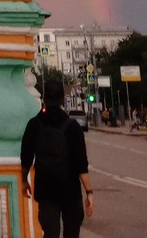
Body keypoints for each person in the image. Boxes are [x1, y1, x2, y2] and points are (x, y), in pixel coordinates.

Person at [21, 80, 95, 237]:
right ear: (62, 99)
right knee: (72, 233)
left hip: (45, 190)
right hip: (70, 191)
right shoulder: (73, 127)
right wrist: (89, 192)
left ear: (44, 98)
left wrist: (24, 181)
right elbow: (81, 164)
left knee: (50, 233)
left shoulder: (34, 125)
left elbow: (26, 156)